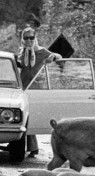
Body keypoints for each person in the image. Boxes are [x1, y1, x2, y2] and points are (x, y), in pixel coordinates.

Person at [15, 26, 62, 158]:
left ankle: (35, 147)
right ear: (22, 39)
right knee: (25, 117)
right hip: (24, 88)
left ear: (35, 38)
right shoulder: (21, 52)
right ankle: (31, 147)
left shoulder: (41, 51)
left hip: (37, 88)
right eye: (26, 37)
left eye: (31, 37)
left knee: (33, 117)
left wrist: (52, 57)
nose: (29, 40)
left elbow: (58, 57)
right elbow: (17, 65)